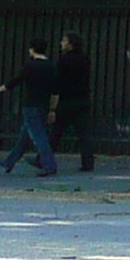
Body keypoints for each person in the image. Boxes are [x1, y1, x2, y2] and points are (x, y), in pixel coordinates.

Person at [0, 39, 60, 176]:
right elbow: (56, 90)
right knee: (25, 137)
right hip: (44, 105)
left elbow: (15, 81)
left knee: (39, 137)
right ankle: (9, 162)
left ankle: (49, 165)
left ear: (32, 49)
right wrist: (53, 109)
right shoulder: (52, 65)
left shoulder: (30, 66)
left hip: (30, 105)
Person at [51, 31, 96, 177]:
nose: (61, 43)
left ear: (70, 44)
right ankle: (88, 162)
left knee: (56, 131)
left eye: (64, 40)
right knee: (84, 133)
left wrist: (53, 105)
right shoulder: (85, 59)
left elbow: (58, 82)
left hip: (66, 99)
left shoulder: (63, 60)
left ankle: (44, 158)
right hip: (82, 99)